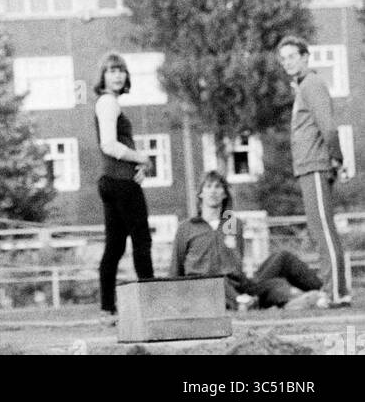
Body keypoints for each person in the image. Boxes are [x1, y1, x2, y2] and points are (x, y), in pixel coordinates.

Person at [172, 169, 323, 311]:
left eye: (218, 187)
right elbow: (175, 268)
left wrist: (242, 281)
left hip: (236, 284)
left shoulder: (231, 223)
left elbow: (237, 259)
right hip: (203, 287)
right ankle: (241, 302)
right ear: (200, 193)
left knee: (279, 271)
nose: (213, 191)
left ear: (224, 194)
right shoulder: (188, 227)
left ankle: (322, 293)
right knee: (216, 279)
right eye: (208, 186)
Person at [278, 35, 351, 308]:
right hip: (307, 167)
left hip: (316, 166)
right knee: (320, 228)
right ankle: (335, 290)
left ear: (306, 57)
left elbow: (329, 128)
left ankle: (335, 292)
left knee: (323, 229)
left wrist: (337, 159)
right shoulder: (302, 87)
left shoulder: (312, 84)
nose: (287, 62)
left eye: (292, 56)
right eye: (283, 59)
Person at [93, 52, 154, 321]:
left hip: (114, 180)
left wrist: (138, 166)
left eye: (121, 71)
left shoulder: (110, 103)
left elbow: (117, 145)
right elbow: (108, 144)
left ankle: (107, 308)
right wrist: (141, 158)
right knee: (142, 241)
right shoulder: (107, 102)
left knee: (115, 247)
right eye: (112, 70)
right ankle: (151, 305)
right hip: (120, 182)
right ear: (103, 76)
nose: (118, 75)